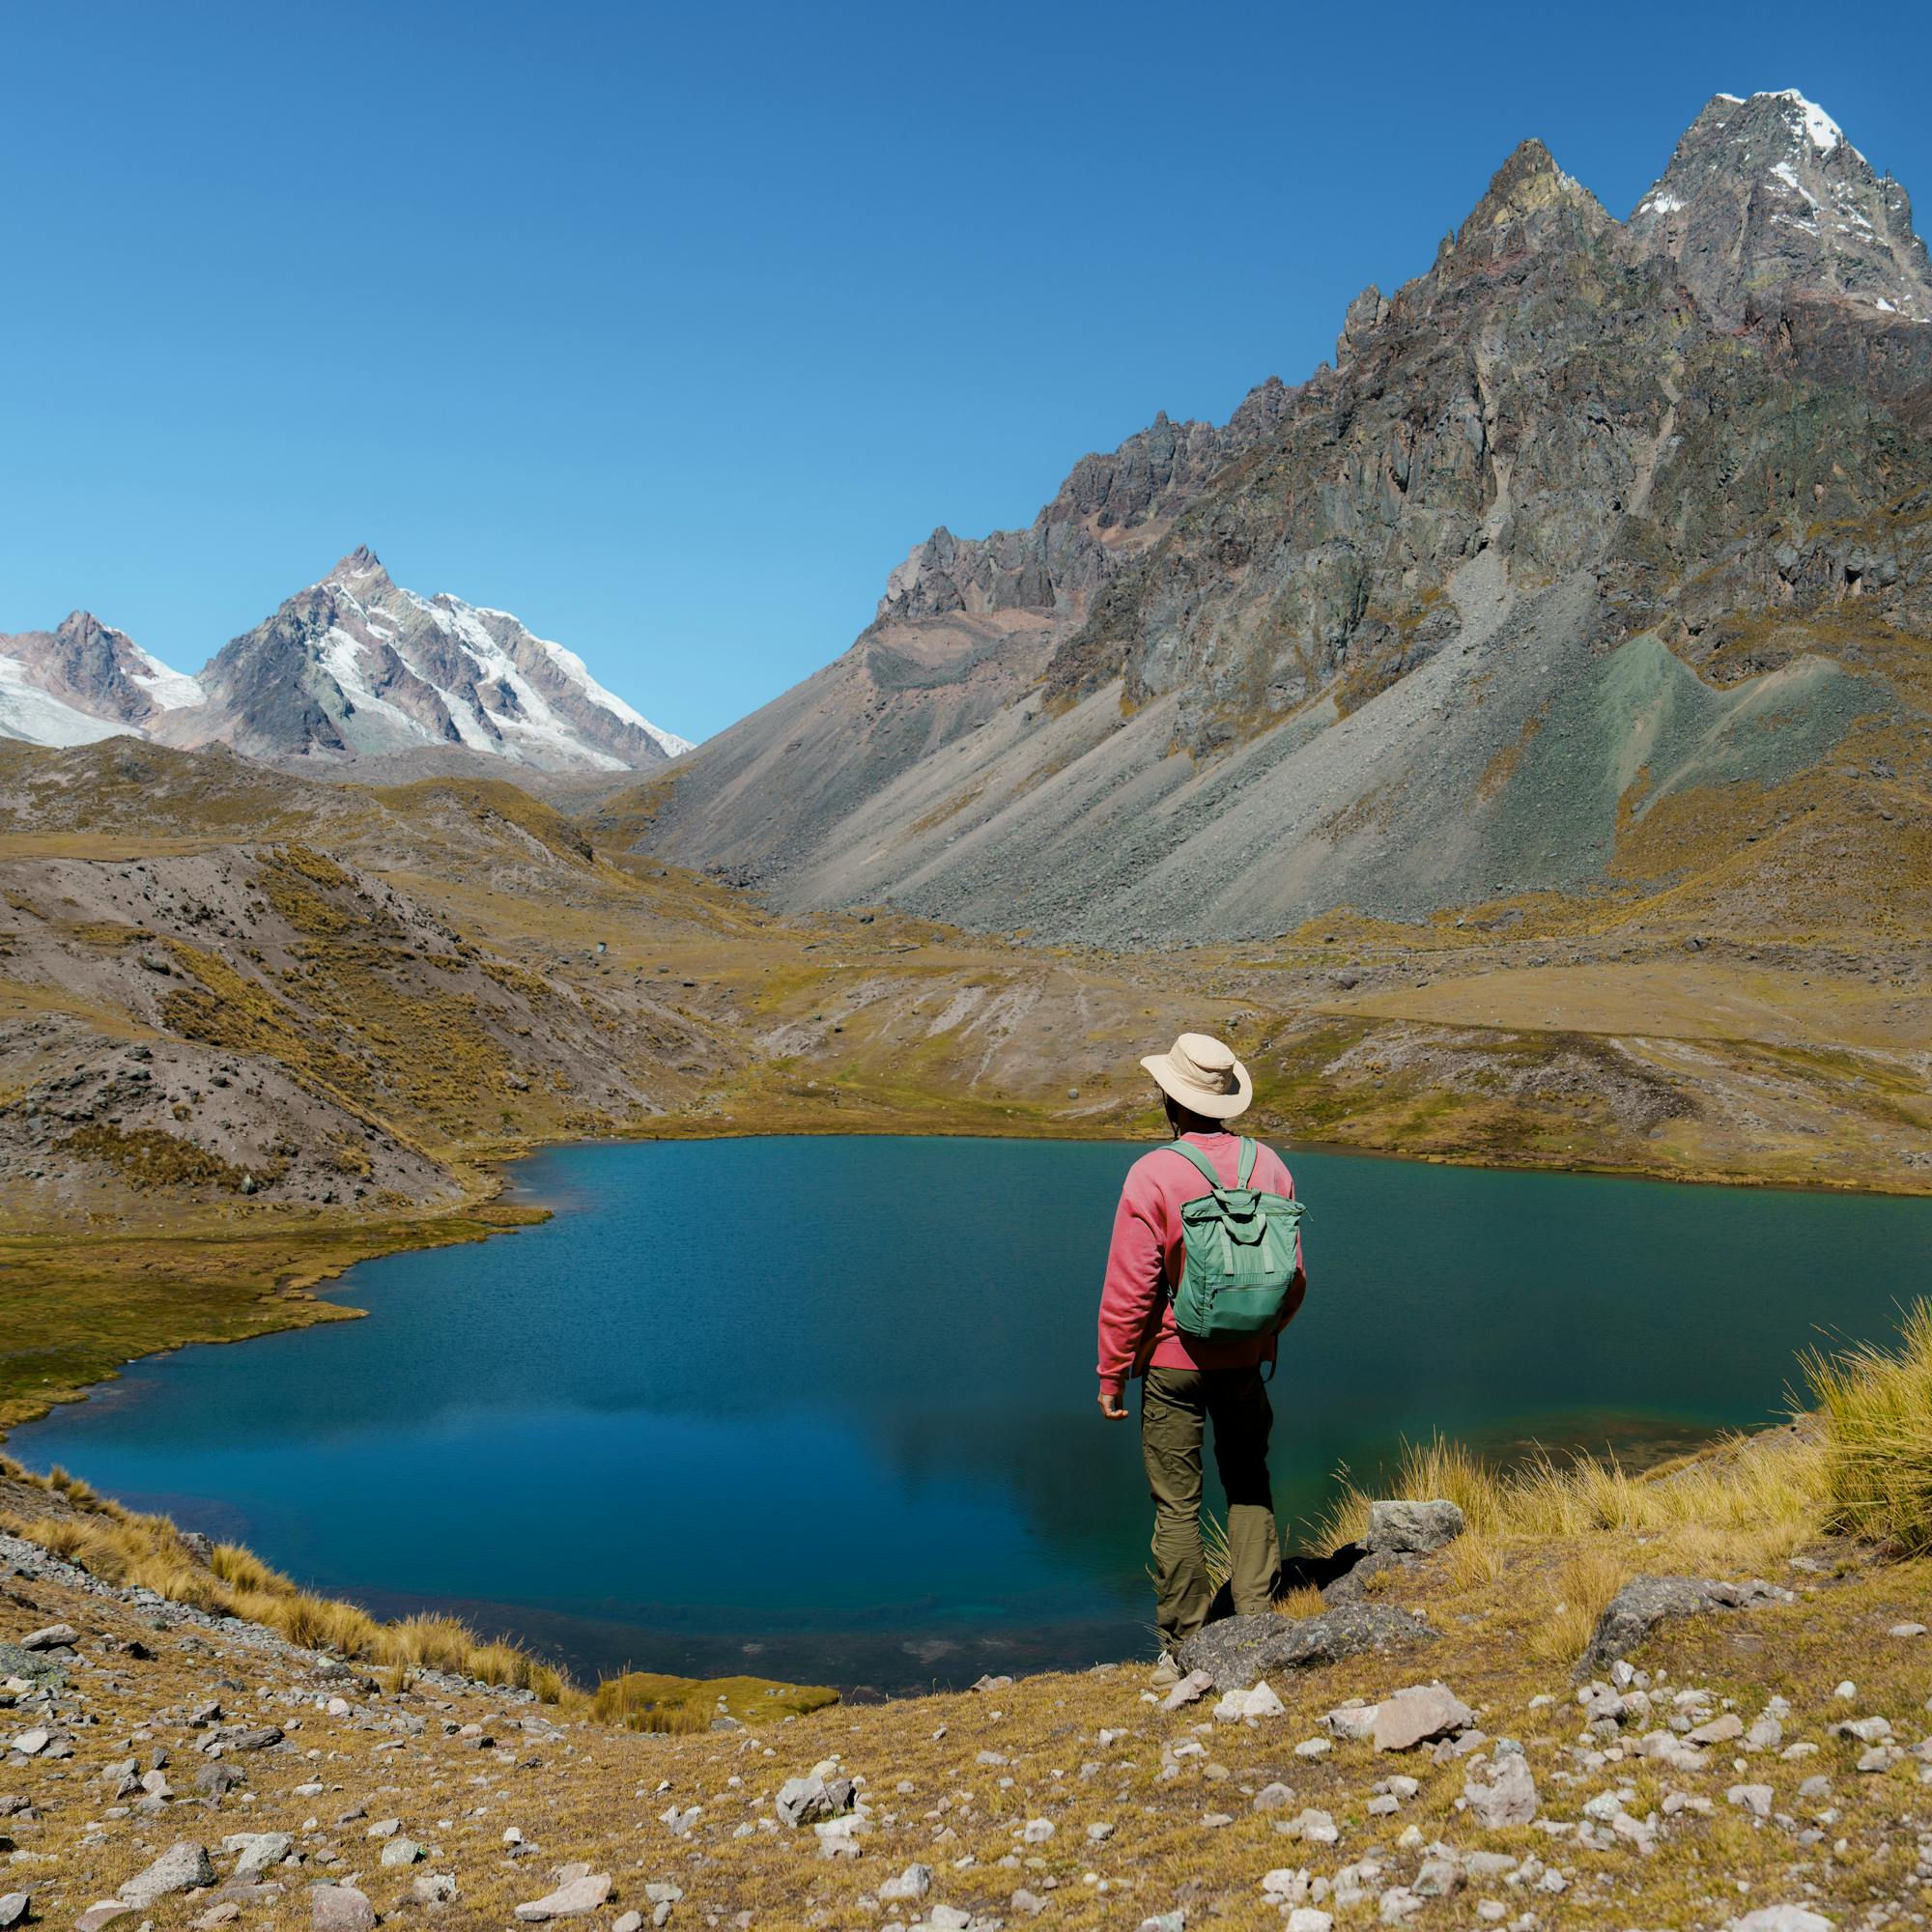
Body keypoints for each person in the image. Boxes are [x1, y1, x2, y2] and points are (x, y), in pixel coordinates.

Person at [1095, 1031, 1307, 1653]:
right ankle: (1258, 1621)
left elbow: (1131, 1291)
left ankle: (1188, 1643)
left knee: (1177, 1504)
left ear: (1171, 1099)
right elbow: (1293, 1279)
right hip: (1244, 1362)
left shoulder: (1153, 1172)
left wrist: (1113, 1374)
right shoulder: (1271, 1165)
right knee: (1248, 1481)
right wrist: (1259, 1338)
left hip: (1171, 1364)